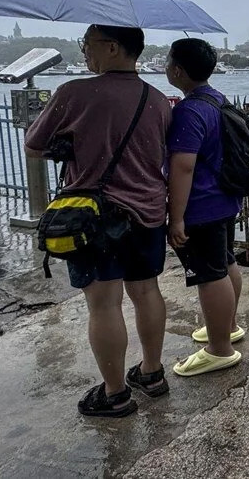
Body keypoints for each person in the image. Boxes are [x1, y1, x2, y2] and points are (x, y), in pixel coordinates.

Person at [25, 25, 172, 418]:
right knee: (147, 291)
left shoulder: (74, 92)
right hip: (150, 212)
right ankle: (153, 372)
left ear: (111, 47)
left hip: (96, 218)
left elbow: (34, 145)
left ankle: (115, 392)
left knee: (104, 304)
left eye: (87, 45)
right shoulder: (158, 100)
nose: (85, 53)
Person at [164, 38, 245, 377]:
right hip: (225, 198)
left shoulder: (189, 110)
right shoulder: (217, 99)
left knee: (209, 274)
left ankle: (219, 348)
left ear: (178, 70)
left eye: (168, 62)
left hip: (202, 204)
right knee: (225, 262)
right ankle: (227, 325)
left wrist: (176, 217)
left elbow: (183, 166)